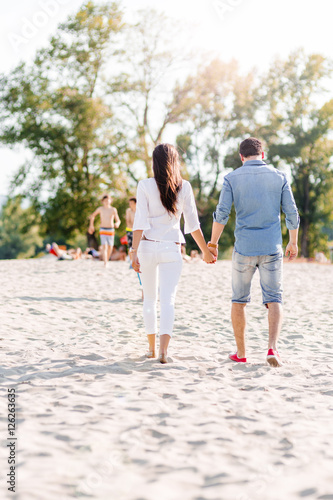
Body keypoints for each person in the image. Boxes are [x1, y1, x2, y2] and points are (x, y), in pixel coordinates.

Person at [209, 137, 299, 367]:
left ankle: (241, 353)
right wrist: (293, 242)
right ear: (263, 154)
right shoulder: (279, 176)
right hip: (271, 248)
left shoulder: (231, 178)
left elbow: (222, 213)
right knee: (274, 298)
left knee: (238, 301)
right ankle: (272, 349)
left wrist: (213, 243)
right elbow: (292, 213)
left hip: (244, 249)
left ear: (241, 156)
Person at [131, 143, 216, 364]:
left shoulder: (144, 185)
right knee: (168, 300)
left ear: (154, 162)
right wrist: (205, 252)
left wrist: (133, 252)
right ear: (175, 162)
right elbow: (193, 225)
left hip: (147, 246)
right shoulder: (184, 187)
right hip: (171, 247)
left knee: (149, 299)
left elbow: (139, 221)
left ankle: (150, 349)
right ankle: (164, 352)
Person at [88, 194, 121, 267]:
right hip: (103, 229)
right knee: (104, 246)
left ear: (111, 201)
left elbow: (118, 220)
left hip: (111, 230)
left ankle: (107, 259)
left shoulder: (113, 209)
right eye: (105, 200)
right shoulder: (100, 209)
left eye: (108, 200)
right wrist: (91, 225)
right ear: (102, 201)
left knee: (110, 247)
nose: (106, 202)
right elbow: (92, 216)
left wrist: (117, 224)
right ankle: (105, 262)